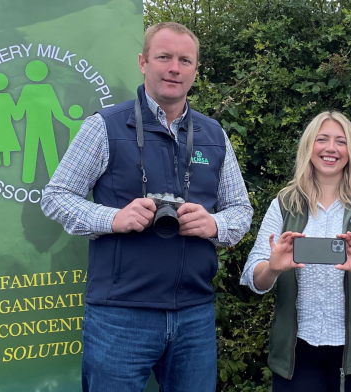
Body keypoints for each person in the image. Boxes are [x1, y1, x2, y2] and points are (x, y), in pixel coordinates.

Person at [41, 22, 253, 392]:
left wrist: (214, 224)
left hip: (194, 313)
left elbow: (240, 210)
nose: (174, 68)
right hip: (120, 315)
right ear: (143, 62)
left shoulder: (214, 135)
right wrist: (113, 218)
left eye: (185, 60)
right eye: (164, 57)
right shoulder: (104, 126)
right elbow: (56, 196)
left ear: (195, 70)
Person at [240, 111, 351, 392]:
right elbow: (253, 275)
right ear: (309, 147)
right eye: (322, 139)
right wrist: (273, 268)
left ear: (350, 151)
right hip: (297, 353)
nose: (331, 148)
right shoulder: (284, 203)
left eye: (340, 141)